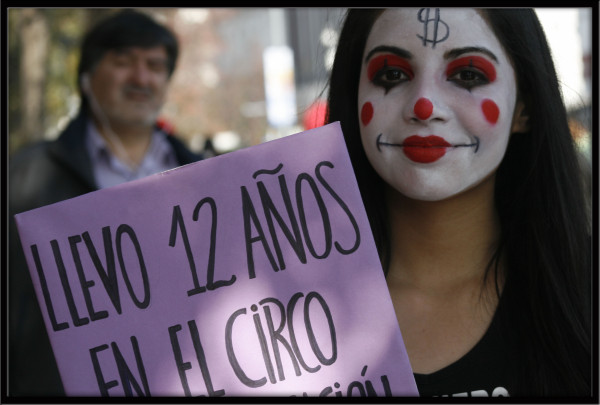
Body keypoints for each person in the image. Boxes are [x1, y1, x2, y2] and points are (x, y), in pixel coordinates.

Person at [326, 8, 591, 397]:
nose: (424, 106)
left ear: (525, 108)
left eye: (468, 75)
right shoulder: (274, 307)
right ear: (354, 97)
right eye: (392, 74)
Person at [9, 10, 201, 396]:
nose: (141, 78)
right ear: (87, 77)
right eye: (123, 62)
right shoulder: (23, 176)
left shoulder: (205, 176)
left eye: (155, 66)